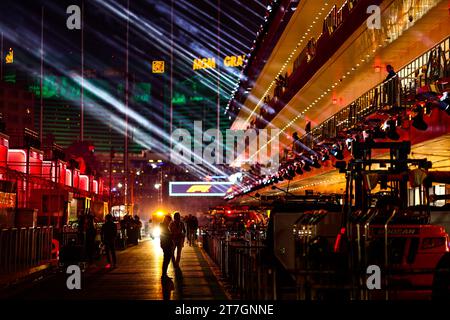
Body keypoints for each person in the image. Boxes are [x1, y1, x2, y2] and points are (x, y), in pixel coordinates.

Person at [160, 215, 173, 279]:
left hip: (166, 243)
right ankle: (164, 274)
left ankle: (164, 273)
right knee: (166, 259)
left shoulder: (164, 225)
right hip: (166, 244)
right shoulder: (163, 226)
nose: (170, 222)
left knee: (167, 258)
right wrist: (171, 234)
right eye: (169, 220)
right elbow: (165, 234)